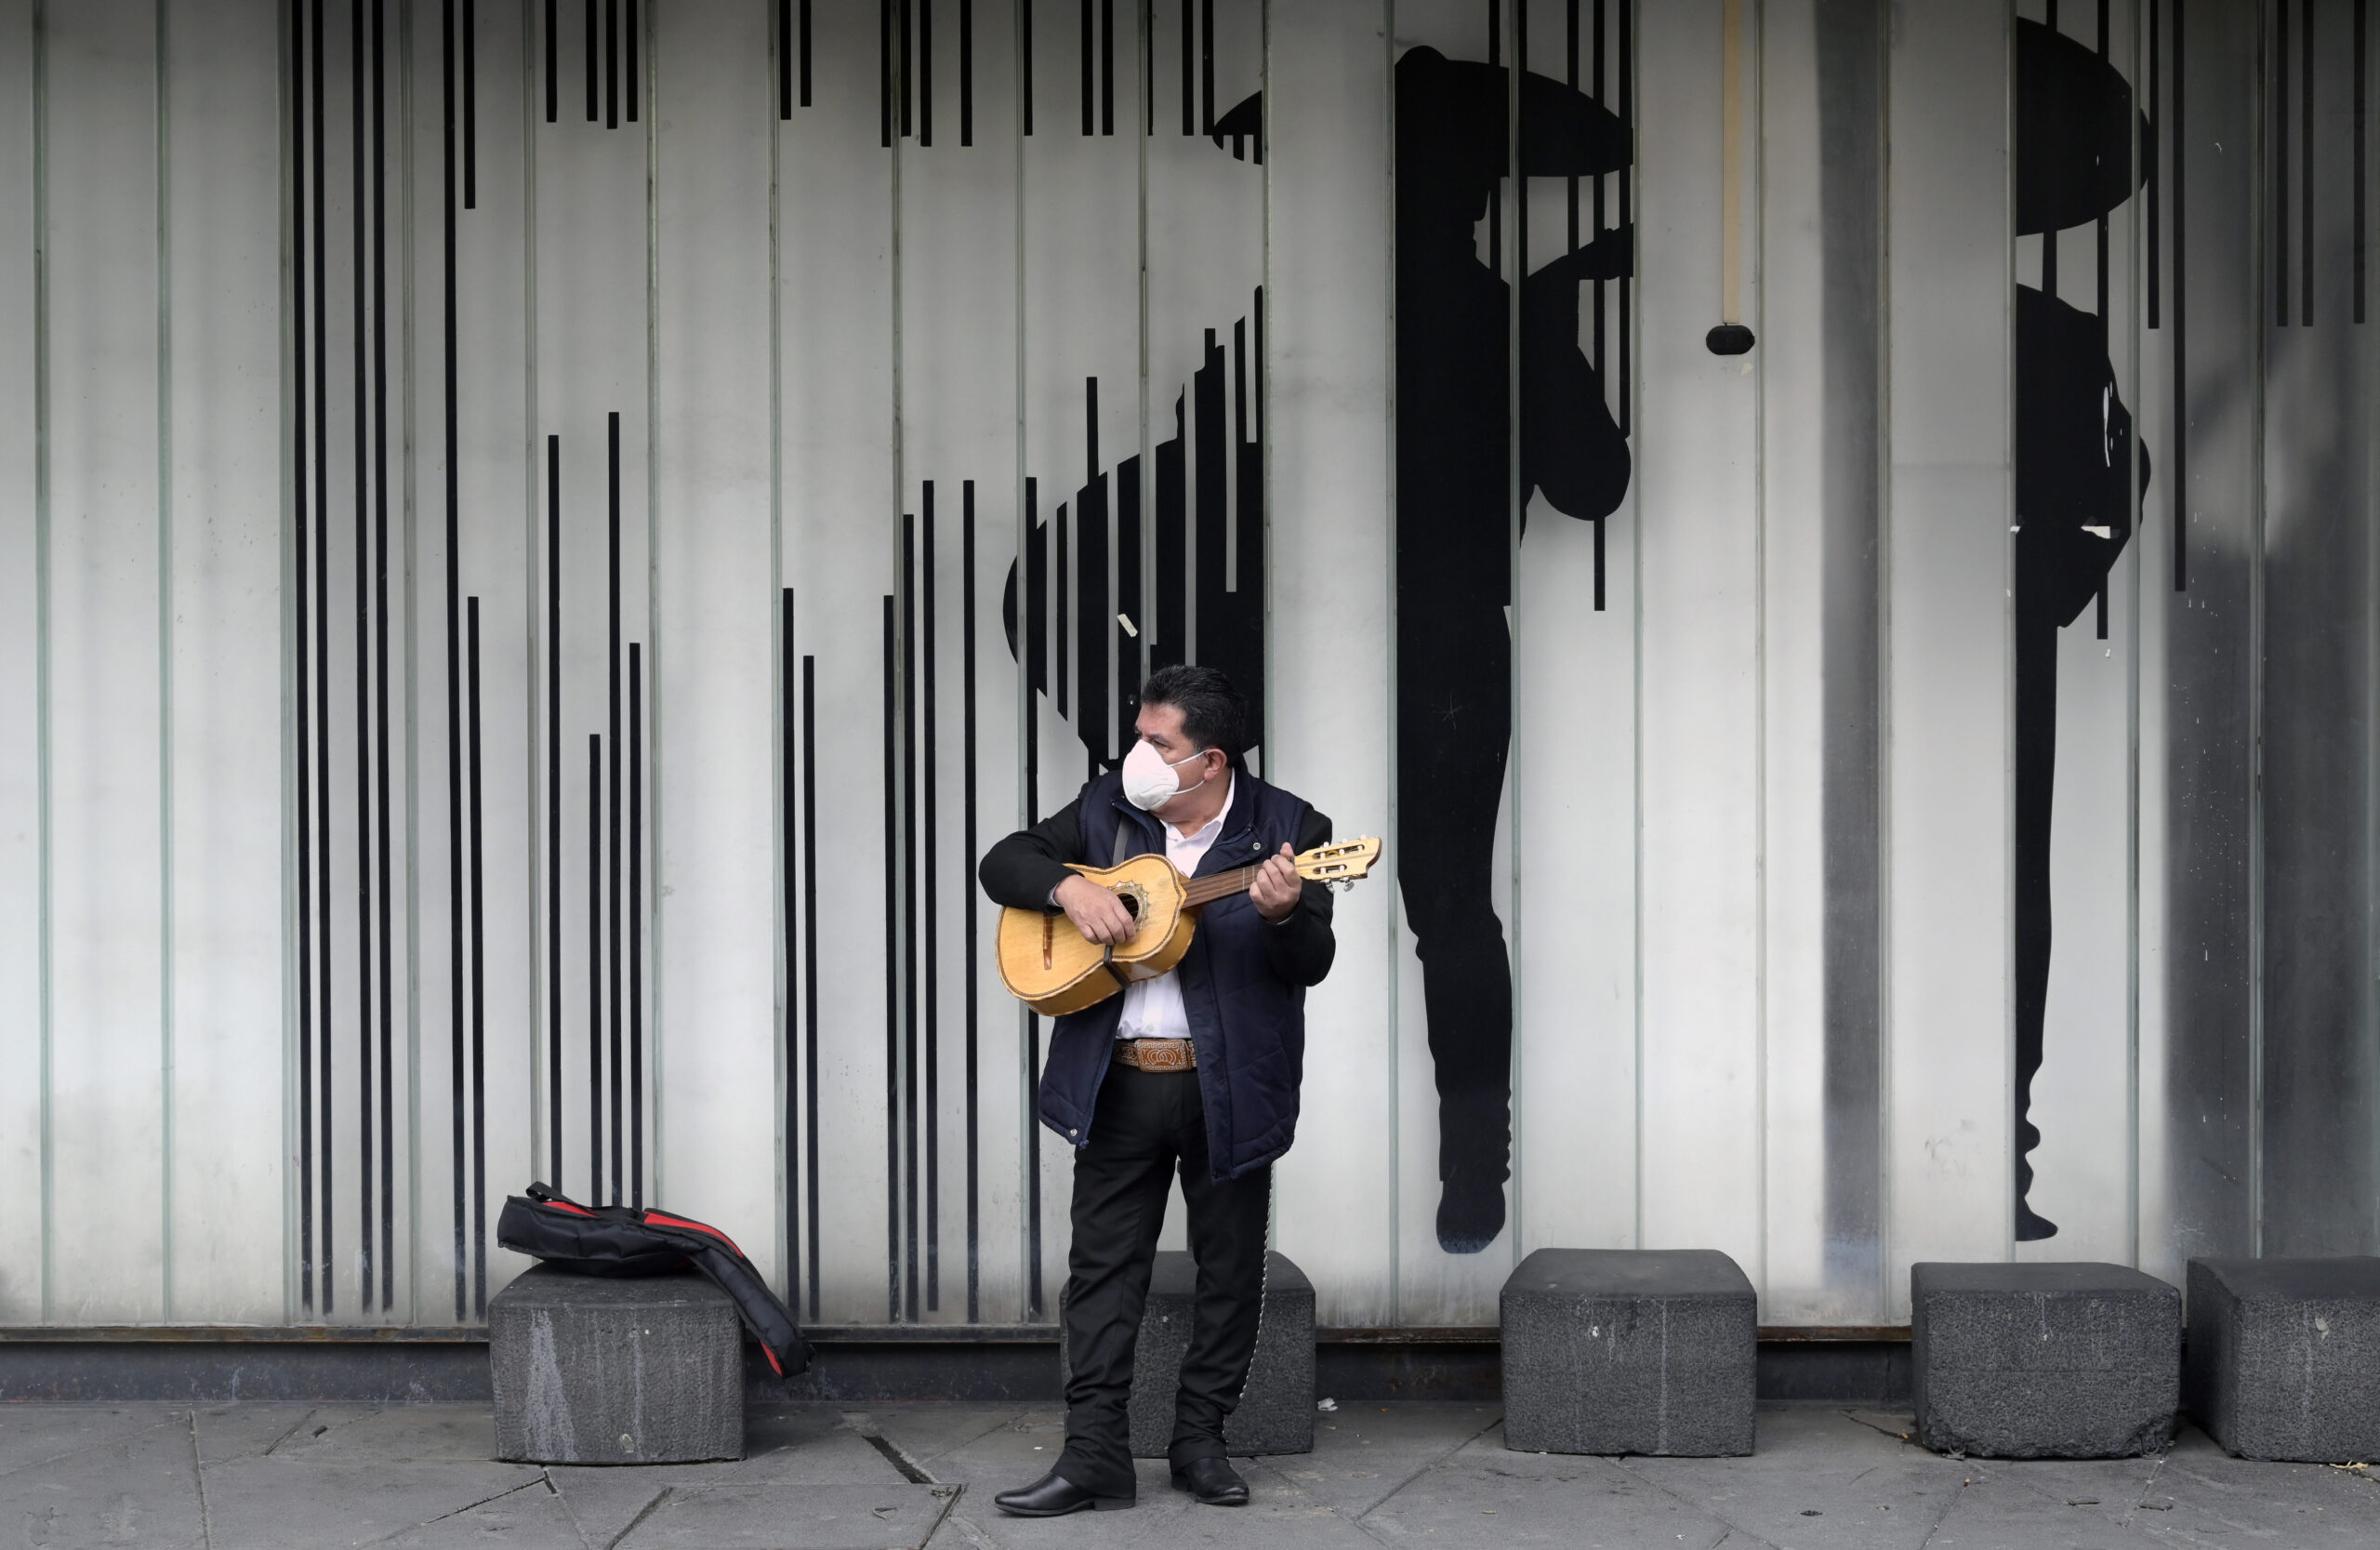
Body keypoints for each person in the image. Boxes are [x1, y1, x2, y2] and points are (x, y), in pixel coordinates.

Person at [977, 664, 1336, 1516]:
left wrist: (1285, 914)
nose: (1137, 752)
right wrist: (1069, 885)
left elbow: (1310, 964)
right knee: (1101, 1274)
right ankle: (1093, 1453)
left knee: (1228, 1271)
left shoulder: (1291, 828)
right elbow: (1005, 861)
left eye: (1156, 741)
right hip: (1118, 1083)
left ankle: (1199, 1442)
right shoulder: (1109, 807)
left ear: (1209, 761)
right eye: (1140, 734)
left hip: (1229, 1089)